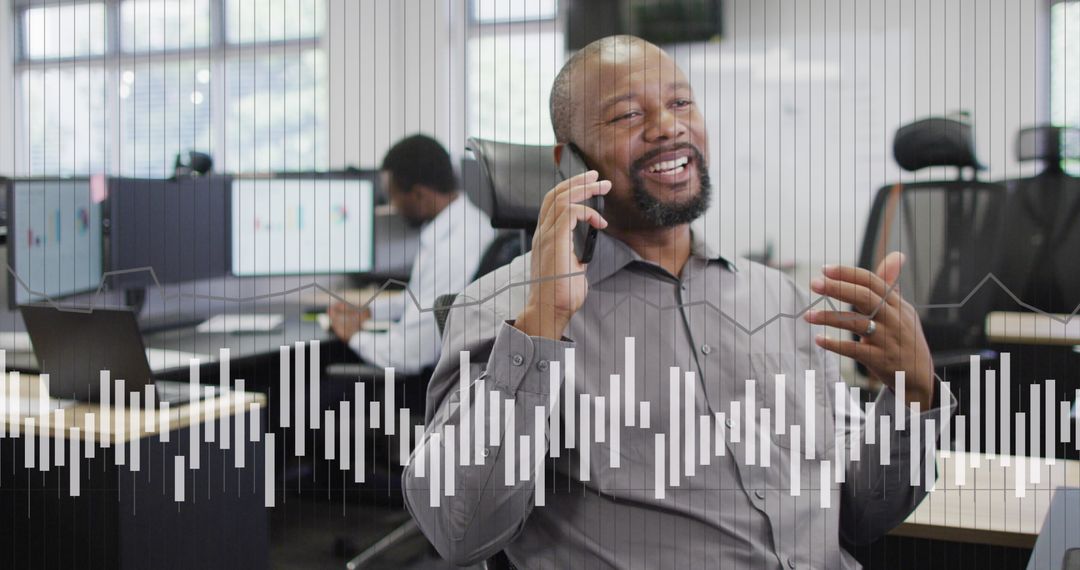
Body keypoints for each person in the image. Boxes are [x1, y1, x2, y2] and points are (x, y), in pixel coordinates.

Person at [403, 36, 953, 568]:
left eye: (680, 102)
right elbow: (461, 529)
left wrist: (912, 397)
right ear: (569, 158)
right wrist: (542, 325)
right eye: (627, 116)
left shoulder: (778, 299)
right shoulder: (503, 306)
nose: (669, 127)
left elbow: (859, 516)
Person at [328, 134, 496, 375]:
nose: (393, 205)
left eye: (393, 195)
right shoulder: (467, 225)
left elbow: (408, 354)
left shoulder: (453, 250)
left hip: (424, 387)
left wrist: (354, 335)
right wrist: (369, 311)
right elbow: (418, 297)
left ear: (419, 194)